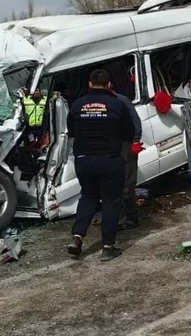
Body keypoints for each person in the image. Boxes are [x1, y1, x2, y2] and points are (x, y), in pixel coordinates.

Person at [65, 69, 135, 261]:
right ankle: (107, 246)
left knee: (88, 197)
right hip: (109, 159)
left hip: (84, 160)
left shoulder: (77, 105)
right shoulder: (117, 105)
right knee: (111, 202)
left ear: (89, 84)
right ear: (109, 84)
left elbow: (71, 131)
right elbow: (129, 132)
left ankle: (77, 237)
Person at [110, 83, 144, 230]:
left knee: (127, 185)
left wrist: (136, 140)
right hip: (111, 147)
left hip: (125, 145)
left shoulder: (121, 100)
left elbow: (135, 120)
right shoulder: (101, 103)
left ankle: (131, 217)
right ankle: (117, 216)